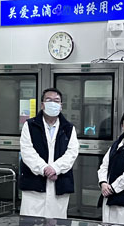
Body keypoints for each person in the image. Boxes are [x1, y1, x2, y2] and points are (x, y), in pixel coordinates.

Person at [19, 87, 79, 218]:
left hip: (59, 183)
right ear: (42, 105)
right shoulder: (30, 125)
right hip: (34, 184)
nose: (53, 103)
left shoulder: (69, 128)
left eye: (56, 101)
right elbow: (27, 151)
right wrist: (44, 169)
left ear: (61, 106)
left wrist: (56, 168)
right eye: (49, 100)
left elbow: (72, 152)